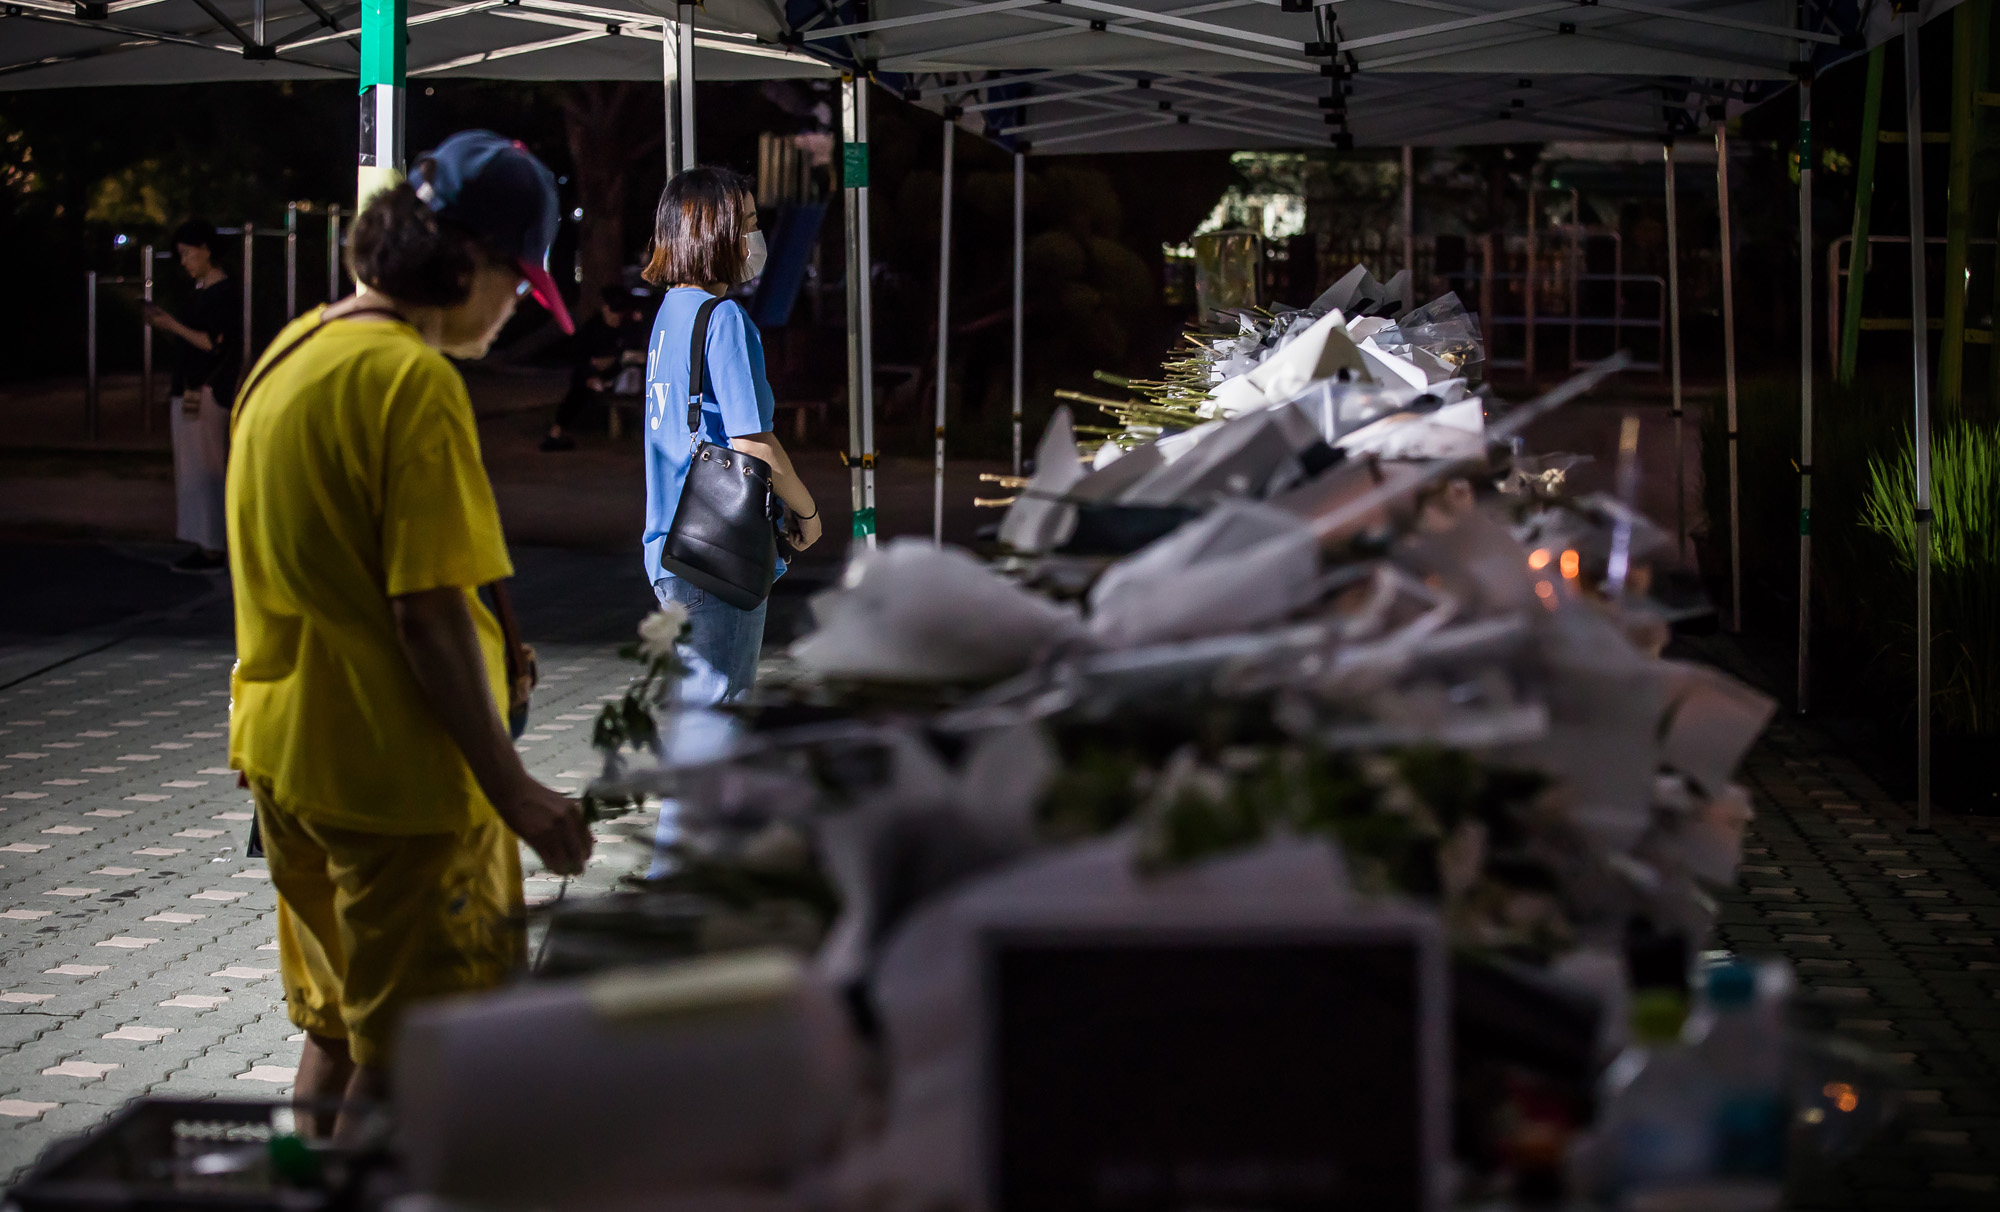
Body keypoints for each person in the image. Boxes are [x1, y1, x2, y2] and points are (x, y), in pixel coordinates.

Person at [227, 130, 592, 1140]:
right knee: (418, 1065)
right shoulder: (412, 382)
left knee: (342, 1032)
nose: (517, 307)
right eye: (516, 283)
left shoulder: (290, 356)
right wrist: (512, 789)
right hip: (397, 790)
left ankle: (301, 1190)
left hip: (288, 767)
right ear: (462, 261)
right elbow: (425, 610)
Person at [639, 168, 819, 871]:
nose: (755, 236)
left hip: (670, 541)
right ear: (709, 231)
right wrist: (805, 510)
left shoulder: (671, 314)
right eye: (744, 222)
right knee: (716, 714)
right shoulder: (725, 320)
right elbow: (752, 438)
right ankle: (678, 886)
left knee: (699, 713)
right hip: (719, 548)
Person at [143, 220, 240, 573]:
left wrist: (171, 325)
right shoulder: (202, 292)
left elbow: (212, 343)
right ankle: (205, 541)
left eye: (187, 253)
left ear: (205, 250)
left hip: (206, 391)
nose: (184, 261)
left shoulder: (222, 294)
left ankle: (212, 545)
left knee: (205, 468)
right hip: (191, 389)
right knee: (194, 470)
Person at [540, 284, 648, 451]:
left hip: (621, 375)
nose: (616, 316)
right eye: (613, 311)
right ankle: (556, 432)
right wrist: (591, 373)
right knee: (578, 388)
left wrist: (615, 360)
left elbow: (633, 354)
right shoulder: (593, 328)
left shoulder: (628, 328)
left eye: (619, 312)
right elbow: (580, 356)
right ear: (605, 308)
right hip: (593, 376)